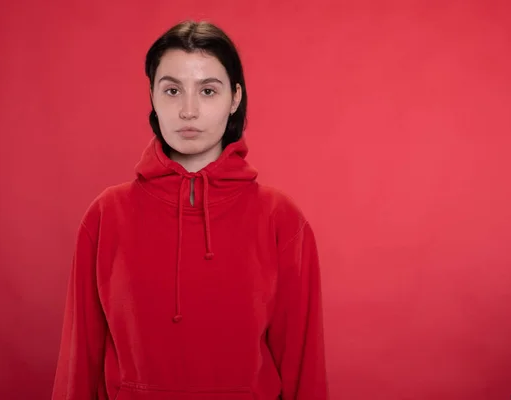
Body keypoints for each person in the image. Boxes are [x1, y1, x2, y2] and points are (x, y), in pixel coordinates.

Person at [51, 20, 328, 400]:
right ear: (152, 96)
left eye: (208, 90)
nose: (188, 110)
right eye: (172, 90)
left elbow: (304, 368)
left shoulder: (281, 219)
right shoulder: (106, 215)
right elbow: (78, 362)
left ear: (234, 98)